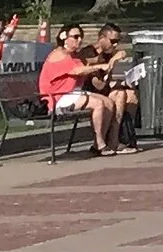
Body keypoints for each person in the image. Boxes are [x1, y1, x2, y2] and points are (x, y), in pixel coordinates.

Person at [39, 22, 122, 157]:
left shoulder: (73, 55)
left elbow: (88, 66)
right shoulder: (59, 54)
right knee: (98, 104)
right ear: (64, 37)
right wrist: (99, 67)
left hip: (71, 94)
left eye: (81, 36)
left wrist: (110, 62)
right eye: (75, 36)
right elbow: (77, 71)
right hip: (56, 98)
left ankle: (98, 143)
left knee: (108, 102)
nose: (79, 40)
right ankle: (100, 144)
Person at [91, 23, 145, 148]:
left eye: (118, 41)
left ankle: (126, 136)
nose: (115, 44)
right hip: (91, 92)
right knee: (119, 95)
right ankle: (113, 140)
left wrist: (124, 82)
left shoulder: (107, 54)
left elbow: (106, 80)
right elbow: (98, 85)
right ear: (101, 38)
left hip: (102, 90)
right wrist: (113, 61)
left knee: (131, 94)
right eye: (113, 41)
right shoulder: (91, 54)